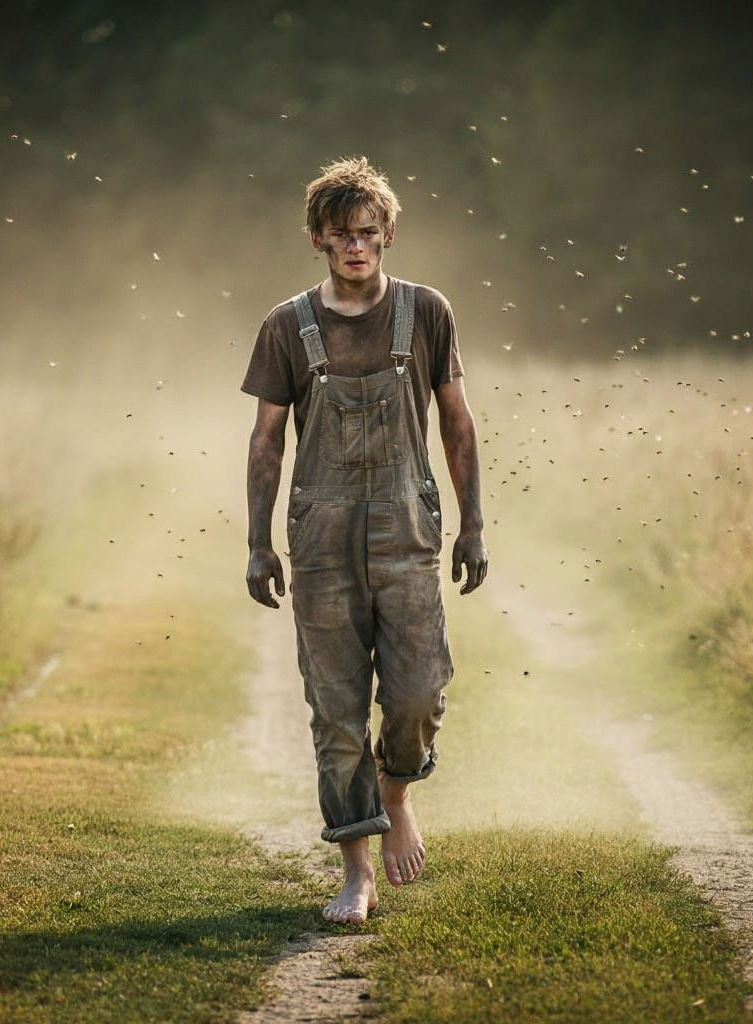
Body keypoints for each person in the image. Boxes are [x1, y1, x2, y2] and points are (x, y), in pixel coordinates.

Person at [241, 156, 488, 925]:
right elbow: (267, 441)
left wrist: (473, 521)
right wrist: (258, 541)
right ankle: (356, 871)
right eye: (342, 234)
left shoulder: (427, 313)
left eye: (369, 233)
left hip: (407, 532)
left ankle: (395, 795)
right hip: (320, 541)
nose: (357, 246)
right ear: (318, 238)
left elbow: (456, 421)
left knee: (416, 694)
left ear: (387, 236)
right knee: (337, 709)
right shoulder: (288, 326)